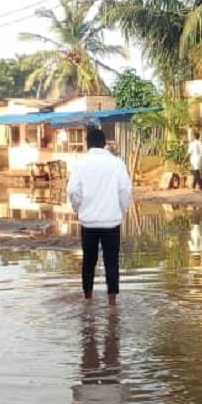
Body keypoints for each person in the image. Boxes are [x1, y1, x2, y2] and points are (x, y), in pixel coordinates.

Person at [67, 126, 133, 305]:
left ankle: (88, 301)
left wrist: (78, 208)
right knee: (112, 263)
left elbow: (73, 191)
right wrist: (121, 209)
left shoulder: (80, 164)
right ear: (104, 144)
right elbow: (125, 190)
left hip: (88, 222)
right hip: (111, 222)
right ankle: (112, 304)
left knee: (88, 262)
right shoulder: (117, 163)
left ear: (87, 144)